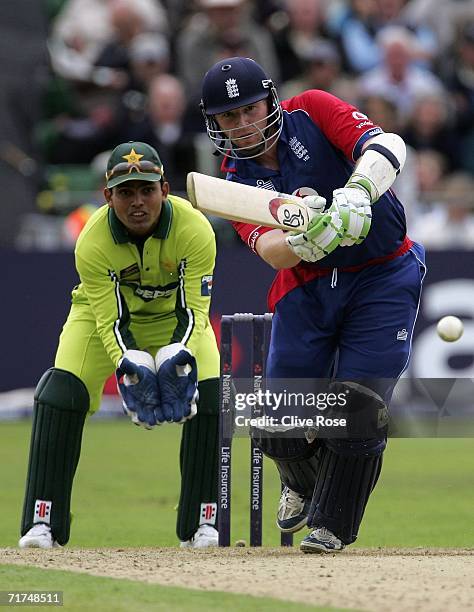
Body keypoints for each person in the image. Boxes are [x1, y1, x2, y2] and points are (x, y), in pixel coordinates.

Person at [200, 57, 425, 553]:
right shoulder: (232, 179)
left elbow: (389, 144)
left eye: (249, 109)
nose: (243, 124)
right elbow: (268, 250)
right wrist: (310, 239)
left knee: (359, 404)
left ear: (270, 101)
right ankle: (299, 480)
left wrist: (358, 194)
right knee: (281, 410)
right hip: (306, 282)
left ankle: (332, 524)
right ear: (214, 124)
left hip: (382, 274)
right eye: (228, 118)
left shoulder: (314, 109)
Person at [19, 141, 220, 549]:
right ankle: (43, 522)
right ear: (107, 196)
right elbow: (111, 321)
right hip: (98, 320)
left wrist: (176, 356)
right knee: (60, 394)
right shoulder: (93, 241)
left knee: (213, 395)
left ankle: (203, 522)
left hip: (174, 322)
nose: (138, 202)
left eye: (147, 190)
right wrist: (130, 365)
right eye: (126, 193)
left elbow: (195, 312)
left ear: (165, 189)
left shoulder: (195, 229)